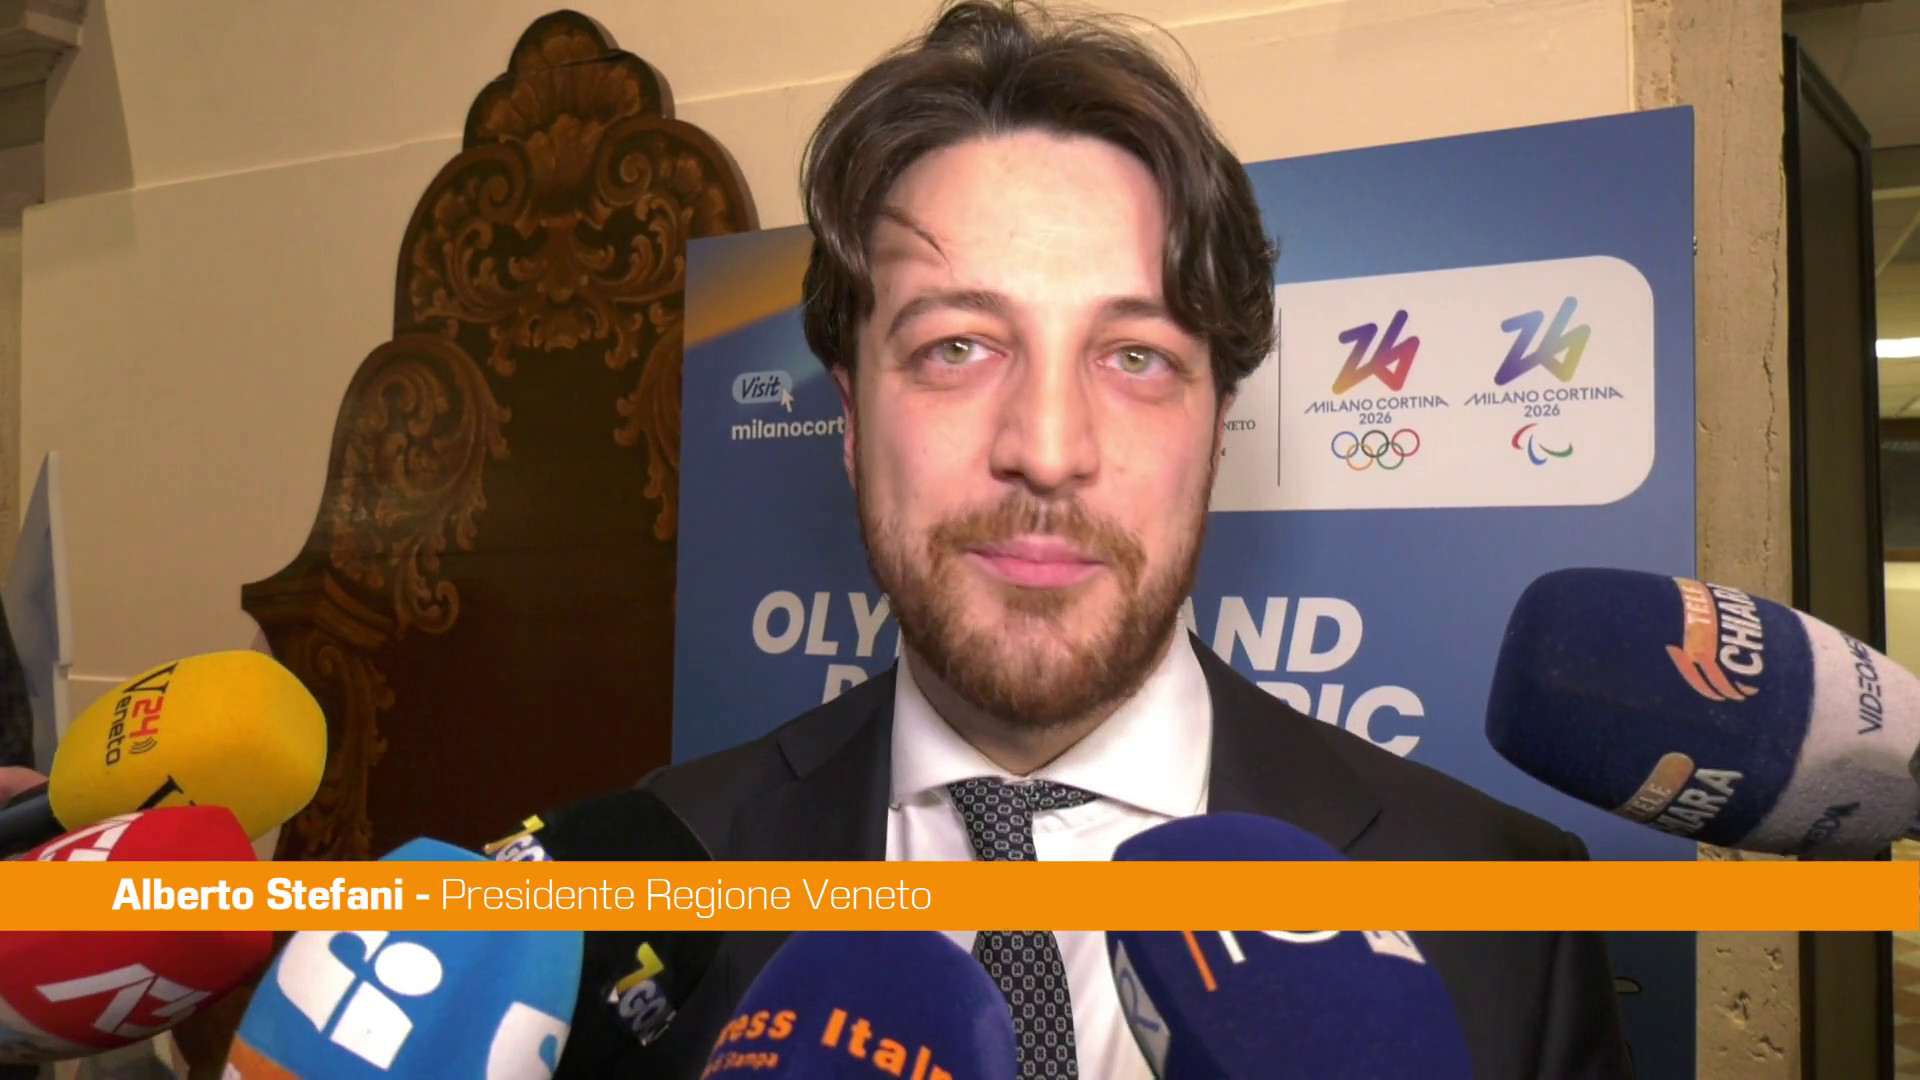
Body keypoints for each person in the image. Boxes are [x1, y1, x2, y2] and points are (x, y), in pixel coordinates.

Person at [630, 2, 1631, 1077]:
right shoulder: (650, 881)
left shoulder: (1507, 911)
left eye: (1136, 357)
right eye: (957, 346)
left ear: (1217, 427)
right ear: (850, 421)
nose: (1048, 449)